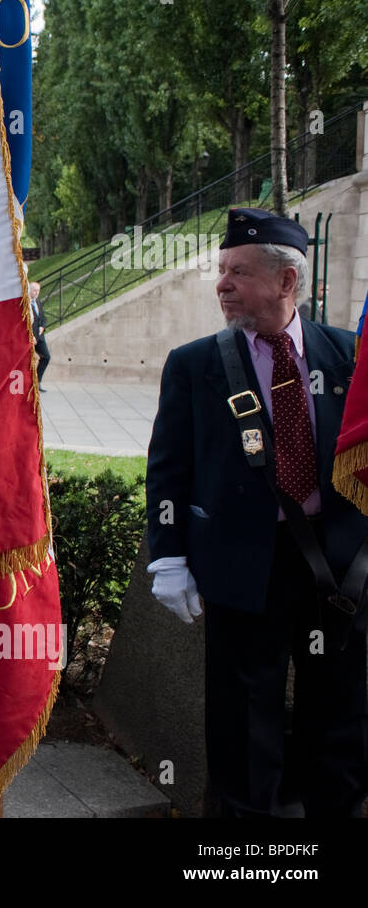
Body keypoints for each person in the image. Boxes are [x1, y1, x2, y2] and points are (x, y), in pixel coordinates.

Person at [145, 206, 368, 817]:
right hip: (245, 569)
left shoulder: (349, 356)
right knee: (244, 722)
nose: (222, 284)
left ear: (286, 281)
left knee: (342, 719)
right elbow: (168, 468)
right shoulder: (195, 364)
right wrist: (167, 554)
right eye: (221, 270)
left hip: (339, 571)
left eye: (237, 272)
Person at [28, 278, 49, 389]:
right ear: (29, 290)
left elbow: (43, 318)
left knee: (46, 357)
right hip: (30, 337)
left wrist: (42, 327)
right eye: (34, 290)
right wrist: (32, 335)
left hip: (40, 336)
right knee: (26, 361)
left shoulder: (38, 302)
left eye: (38, 290)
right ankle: (28, 383)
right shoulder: (26, 303)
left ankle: (37, 381)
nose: (36, 293)